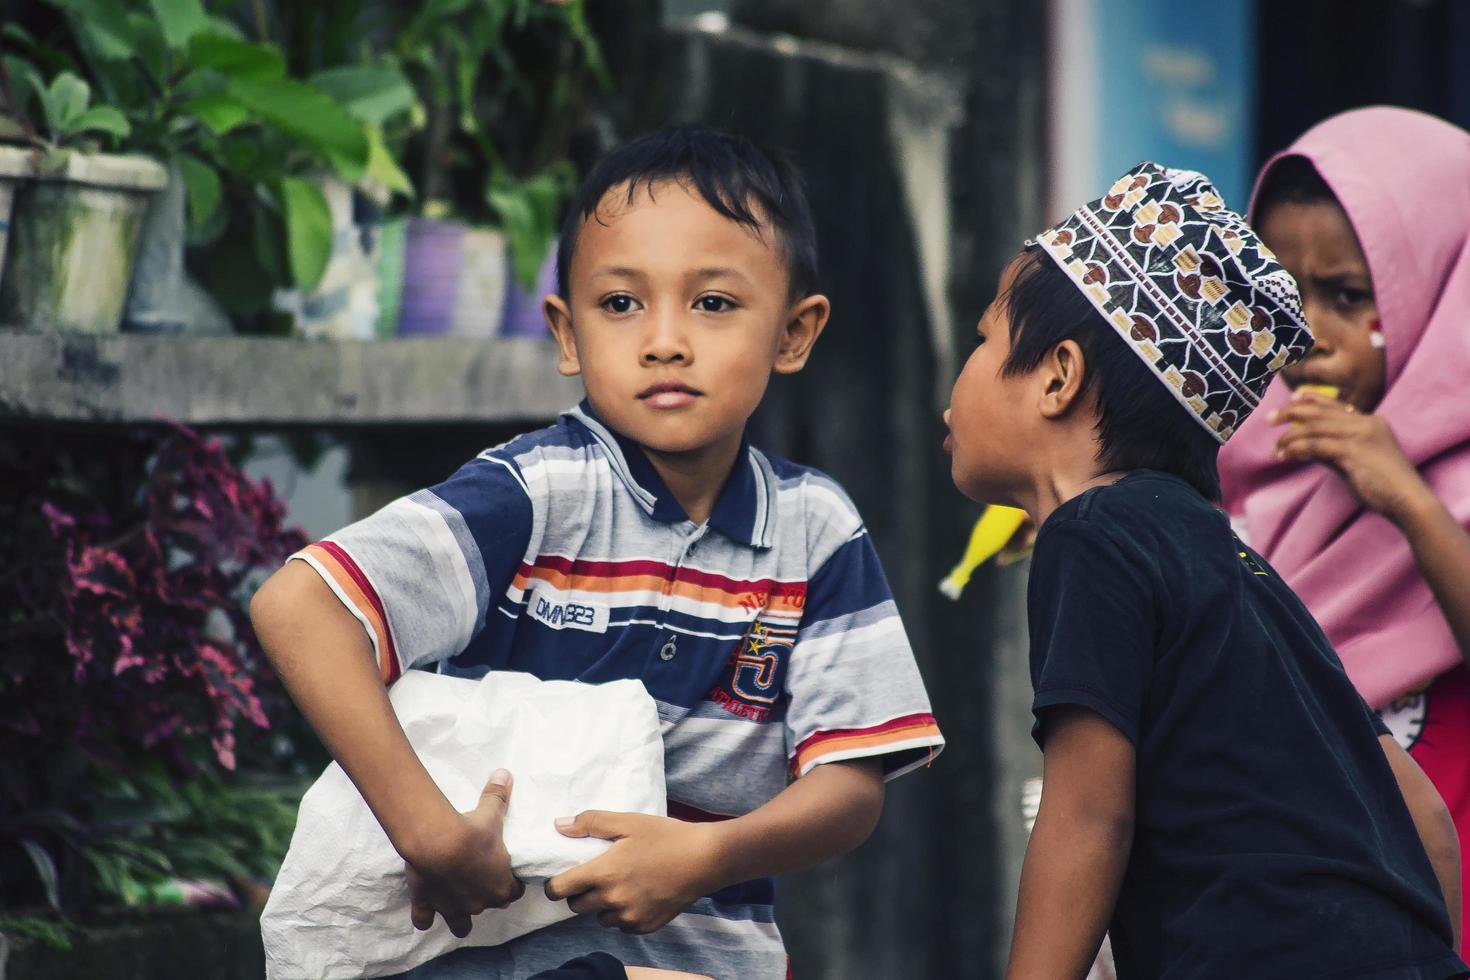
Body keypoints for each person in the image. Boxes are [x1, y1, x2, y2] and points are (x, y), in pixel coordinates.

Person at [249, 125, 944, 978]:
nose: (664, 340)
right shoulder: (536, 493)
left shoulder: (816, 530)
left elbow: (849, 790)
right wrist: (428, 830)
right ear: (567, 333)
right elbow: (299, 604)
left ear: (795, 334)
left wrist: (705, 859)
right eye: (621, 304)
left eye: (713, 303)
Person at [942, 160, 1466, 978]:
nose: (960, 377)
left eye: (981, 340)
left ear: (1058, 376)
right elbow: (1427, 818)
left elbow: (1088, 817)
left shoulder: (1091, 535)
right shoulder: (1242, 567)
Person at [1218, 106, 1470, 949]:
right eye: (1281, 296)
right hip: (1292, 912)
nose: (1307, 335)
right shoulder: (1250, 458)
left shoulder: (1443, 480)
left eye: (1348, 296)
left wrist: (1409, 499)